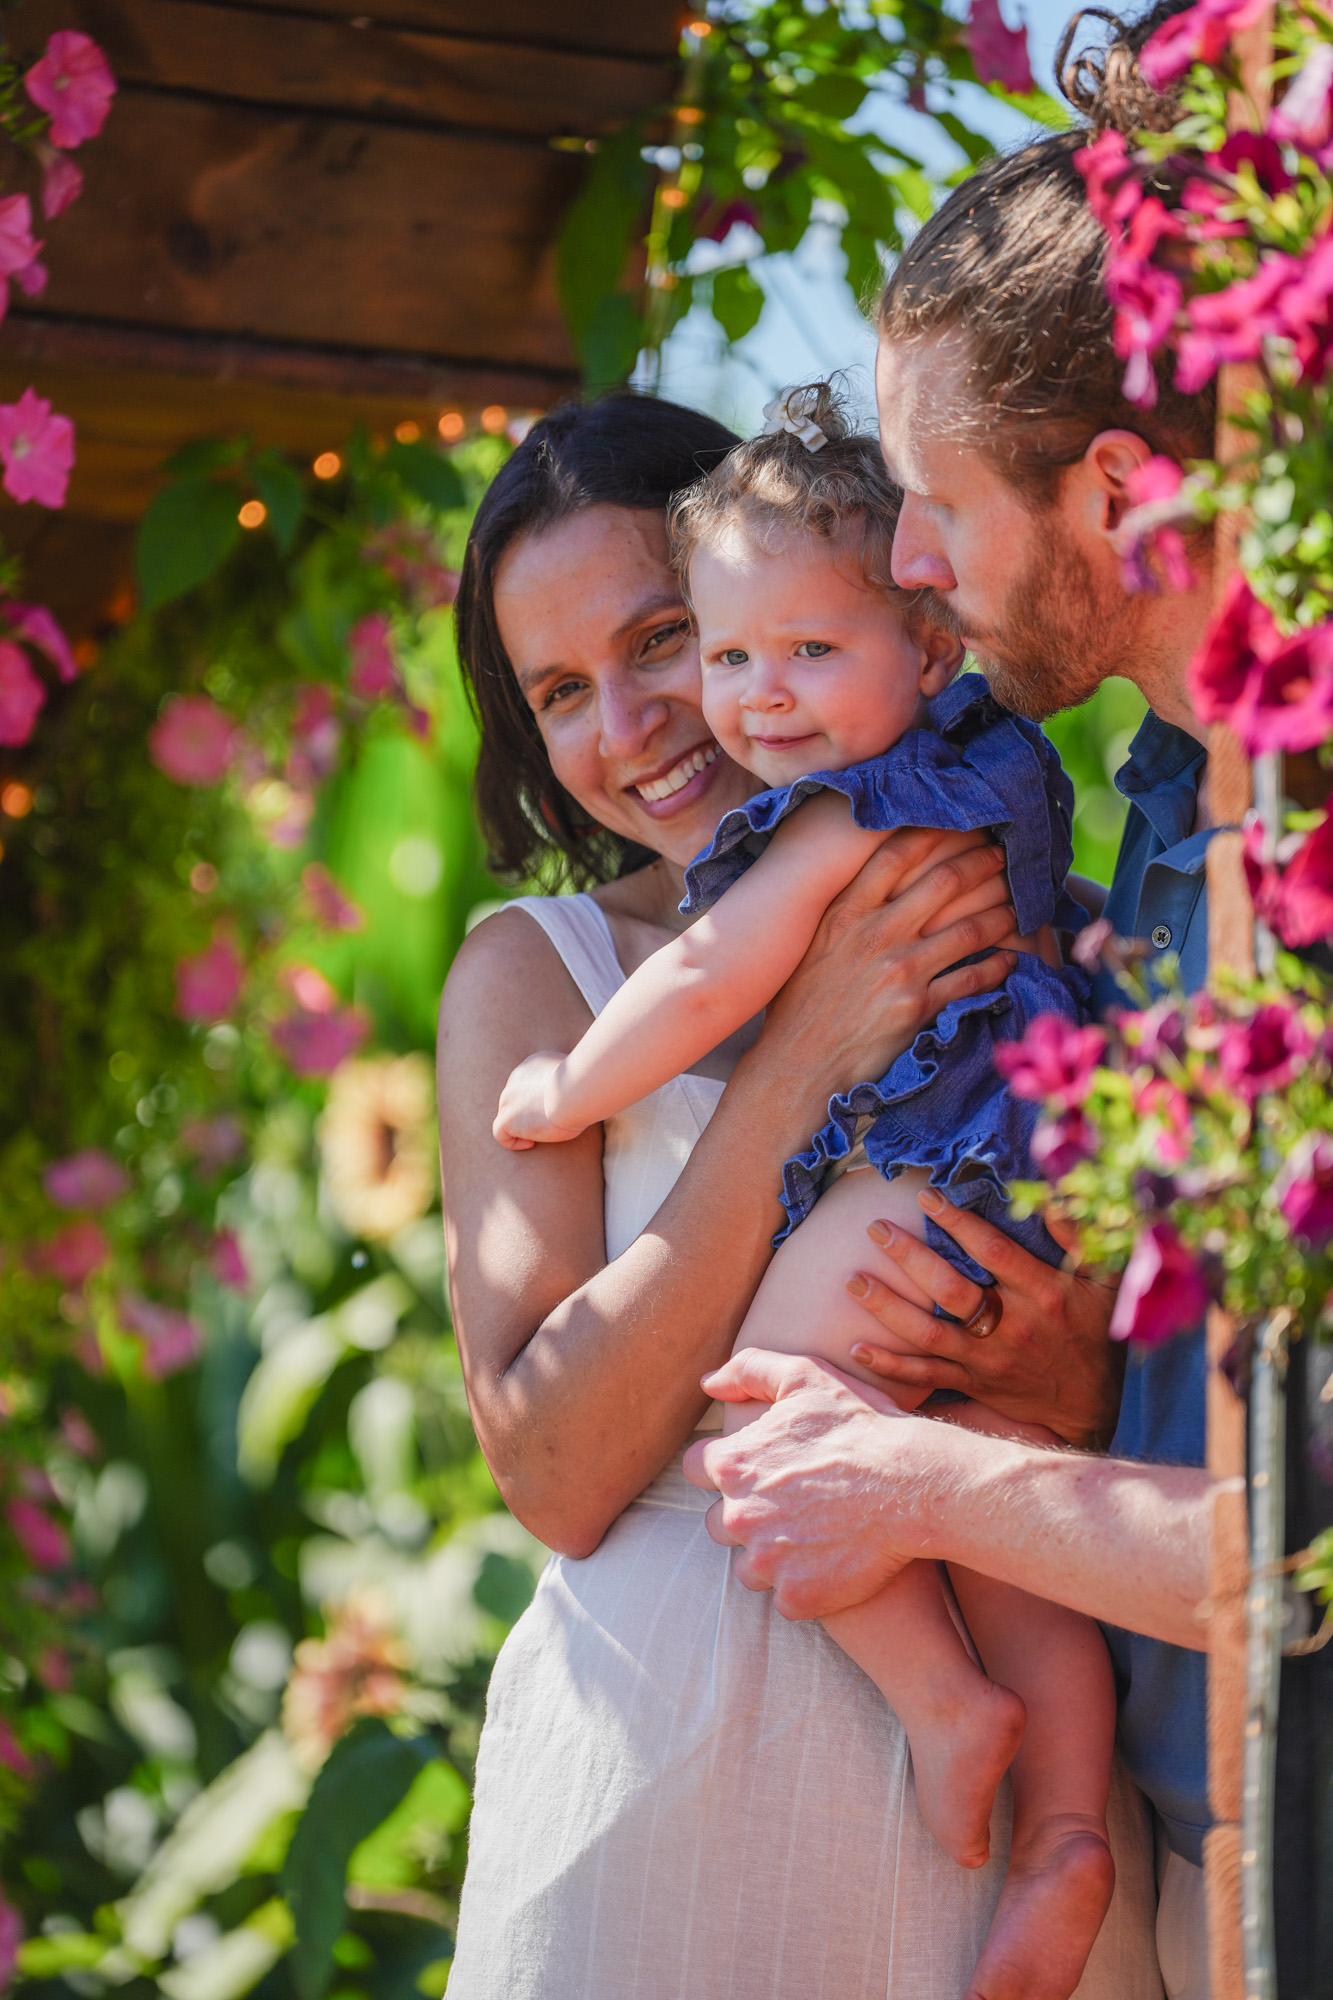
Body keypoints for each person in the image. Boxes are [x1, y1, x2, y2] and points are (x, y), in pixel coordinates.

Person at [437, 391, 1162, 1997]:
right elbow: (552, 1470)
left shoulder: (1000, 895)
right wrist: (801, 1056)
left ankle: (1055, 1831)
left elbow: (1135, 1356)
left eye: (661, 637)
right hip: (678, 1744)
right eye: (561, 691)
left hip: (1010, 1693)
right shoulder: (543, 977)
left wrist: (1071, 1371)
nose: (641, 719)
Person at [682, 9, 1229, 1998]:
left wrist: (903, 1479)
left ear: (1111, 489)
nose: (905, 565)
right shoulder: (1146, 832)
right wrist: (1068, 1379)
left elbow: (1306, 1549)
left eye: (937, 505)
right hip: (1183, 1865)